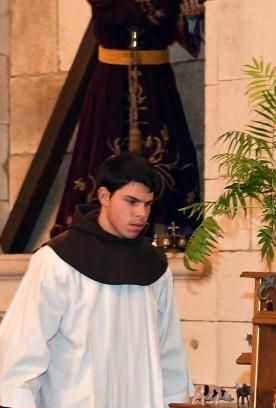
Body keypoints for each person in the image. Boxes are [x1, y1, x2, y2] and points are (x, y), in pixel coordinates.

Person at [0, 153, 192, 408]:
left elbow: (167, 343)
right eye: (131, 202)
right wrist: (16, 397)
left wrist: (173, 406)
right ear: (105, 196)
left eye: (148, 205)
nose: (141, 214)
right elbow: (28, 330)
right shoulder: (58, 259)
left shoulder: (155, 267)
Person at [50, 0, 204, 239]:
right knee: (100, 155)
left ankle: (168, 235)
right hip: (111, 82)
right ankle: (95, 235)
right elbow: (119, 10)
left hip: (156, 82)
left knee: (168, 157)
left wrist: (190, 16)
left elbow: (179, 27)